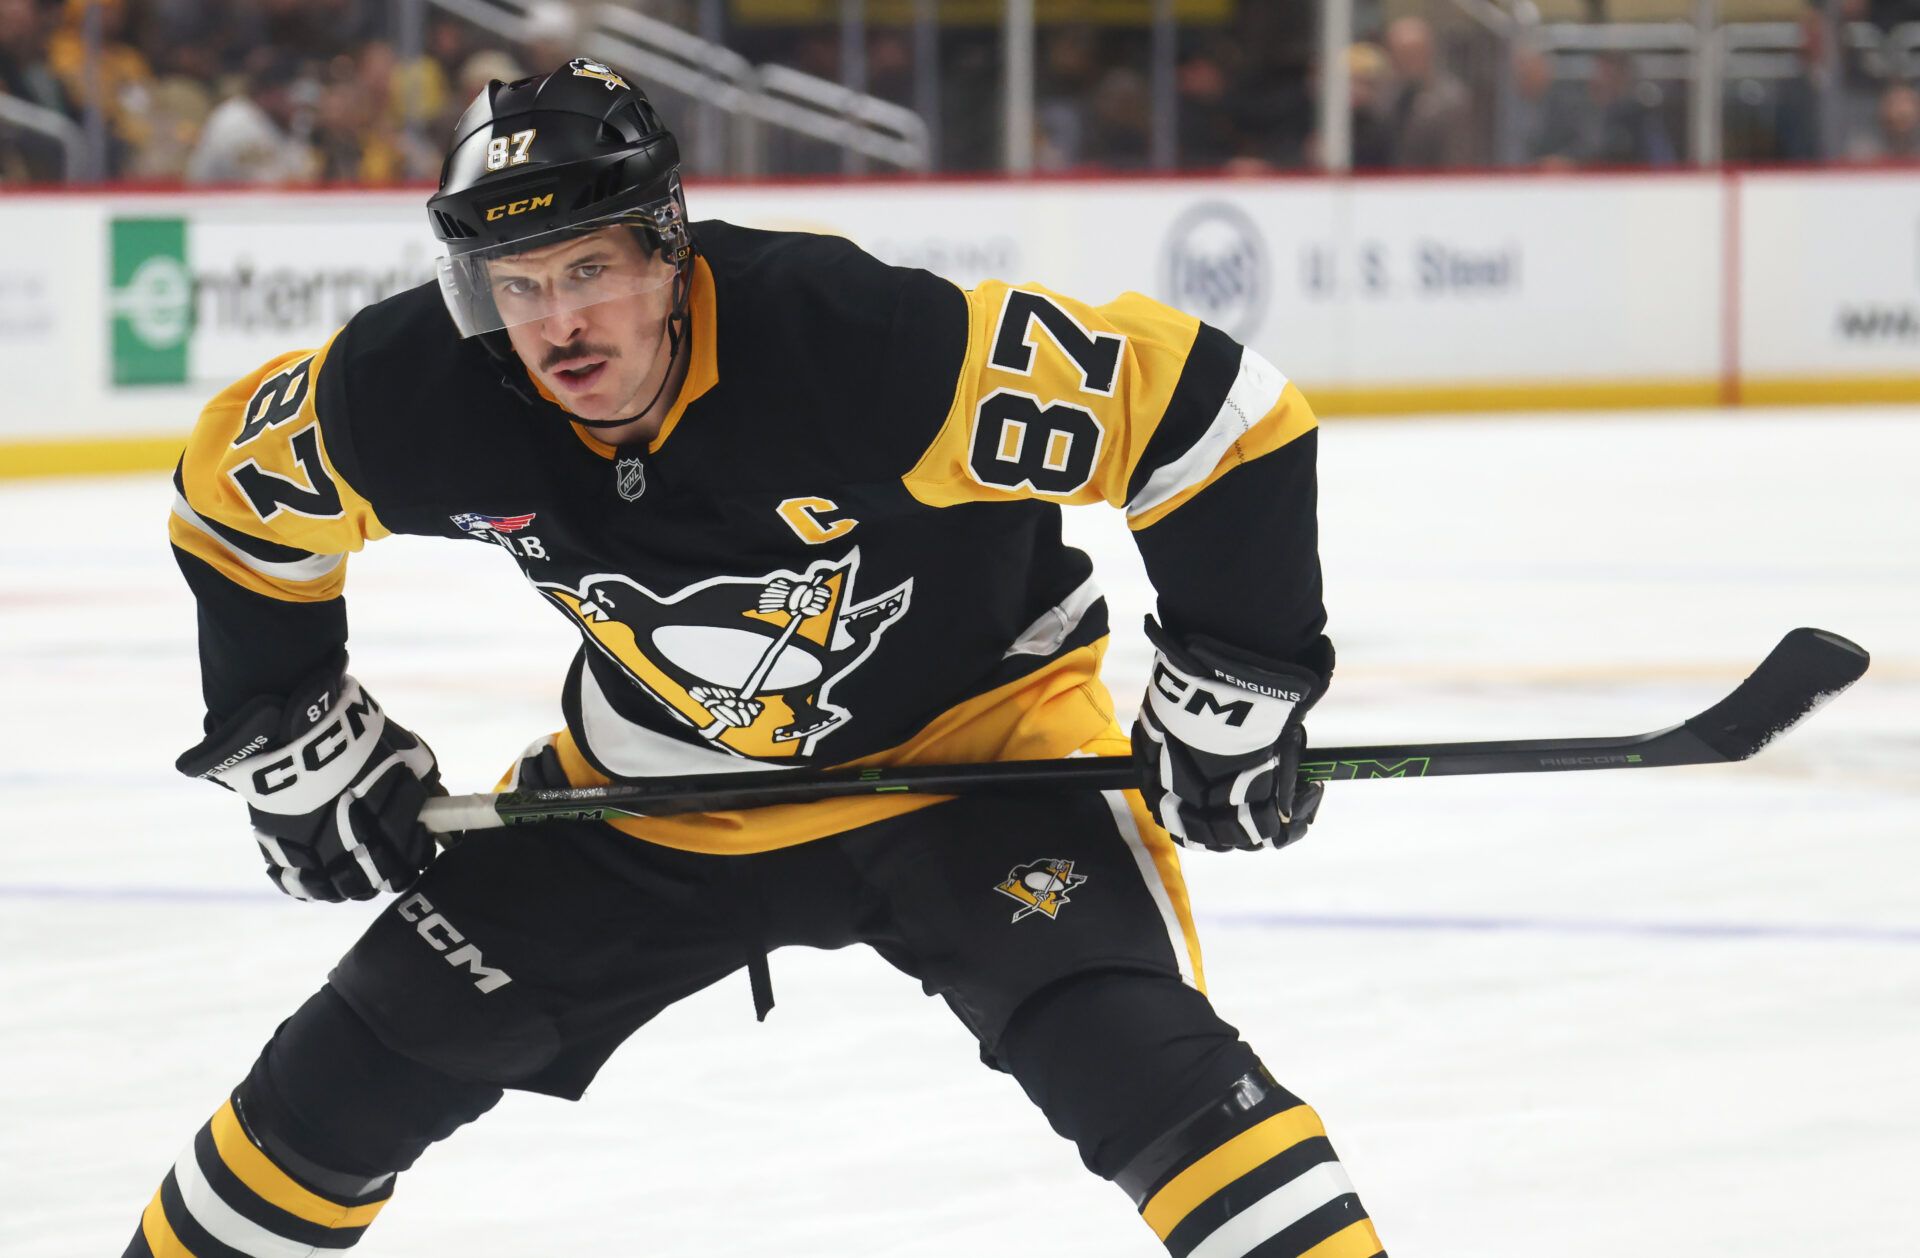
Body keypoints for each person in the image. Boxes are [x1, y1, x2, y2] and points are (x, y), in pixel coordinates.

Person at [125, 59, 1384, 1258]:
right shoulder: (424, 393)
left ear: (667, 246)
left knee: (1152, 1081)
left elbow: (1218, 416)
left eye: (589, 268)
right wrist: (294, 738)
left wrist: (1235, 687)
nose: (558, 324)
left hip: (971, 767)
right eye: (516, 284)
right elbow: (232, 497)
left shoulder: (856, 347)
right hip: (656, 794)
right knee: (332, 1088)